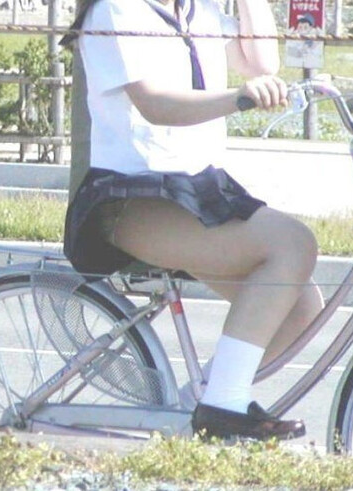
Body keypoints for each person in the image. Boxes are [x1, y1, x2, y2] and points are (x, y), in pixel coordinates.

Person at [62, 0, 323, 440]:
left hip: (196, 191)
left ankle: (194, 409)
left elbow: (261, 64)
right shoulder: (117, 9)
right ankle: (223, 402)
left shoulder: (196, 10)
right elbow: (156, 104)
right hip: (135, 198)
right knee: (293, 244)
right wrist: (238, 98)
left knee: (299, 305)